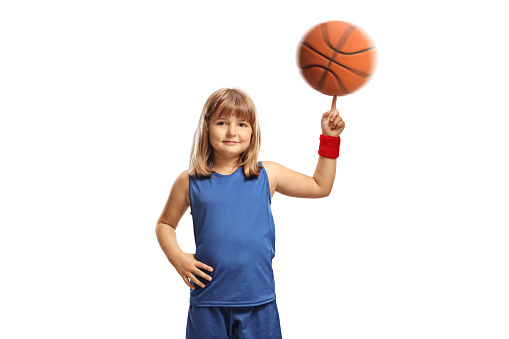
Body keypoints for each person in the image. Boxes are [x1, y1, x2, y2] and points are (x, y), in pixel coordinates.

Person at [155, 88, 345, 338]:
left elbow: (321, 186)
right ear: (207, 127)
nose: (232, 131)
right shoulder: (189, 181)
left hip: (259, 302)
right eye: (222, 122)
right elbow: (165, 224)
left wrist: (329, 138)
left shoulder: (267, 174)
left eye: (242, 123)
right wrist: (177, 257)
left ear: (253, 131)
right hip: (208, 302)